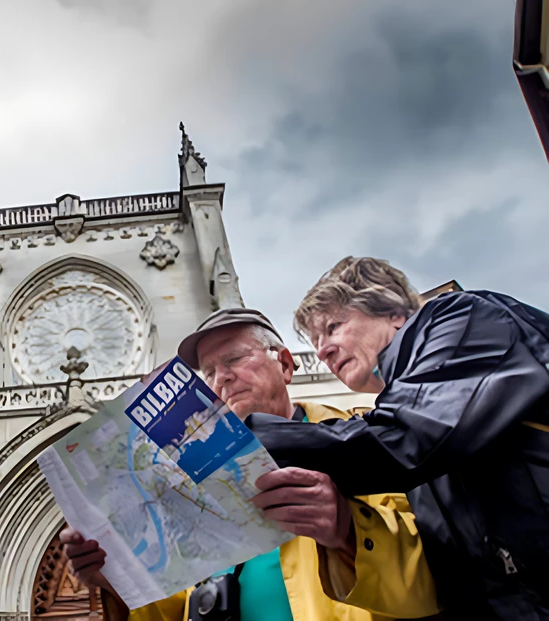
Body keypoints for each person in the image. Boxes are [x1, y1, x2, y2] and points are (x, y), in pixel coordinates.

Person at [61, 308, 440, 621]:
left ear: (285, 364)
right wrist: (115, 577)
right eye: (208, 373)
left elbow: (430, 578)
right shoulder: (189, 483)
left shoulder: (364, 442)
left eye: (235, 359)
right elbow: (177, 609)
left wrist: (347, 530)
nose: (222, 378)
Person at [245, 256, 549, 620]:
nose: (323, 350)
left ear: (393, 313)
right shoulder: (408, 420)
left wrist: (245, 441)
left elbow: (400, 440)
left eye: (334, 326)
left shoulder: (462, 318)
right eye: (316, 340)